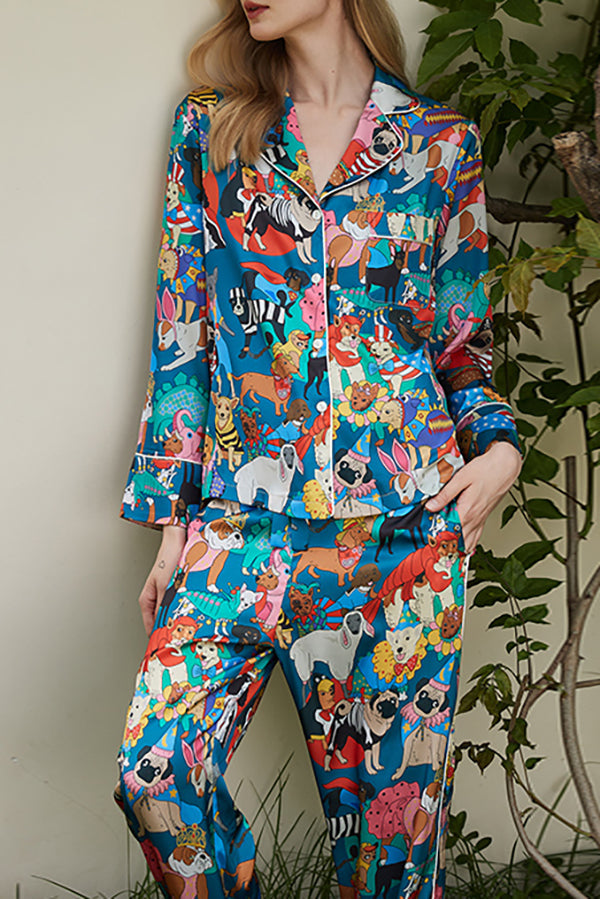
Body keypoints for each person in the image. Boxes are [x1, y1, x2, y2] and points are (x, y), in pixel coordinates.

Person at [113, 1, 523, 897]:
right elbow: (182, 336)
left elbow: (461, 347)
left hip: (401, 539)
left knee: (387, 858)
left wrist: (500, 449)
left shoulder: (439, 145)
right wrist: (175, 522)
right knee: (155, 775)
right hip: (242, 528)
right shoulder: (213, 132)